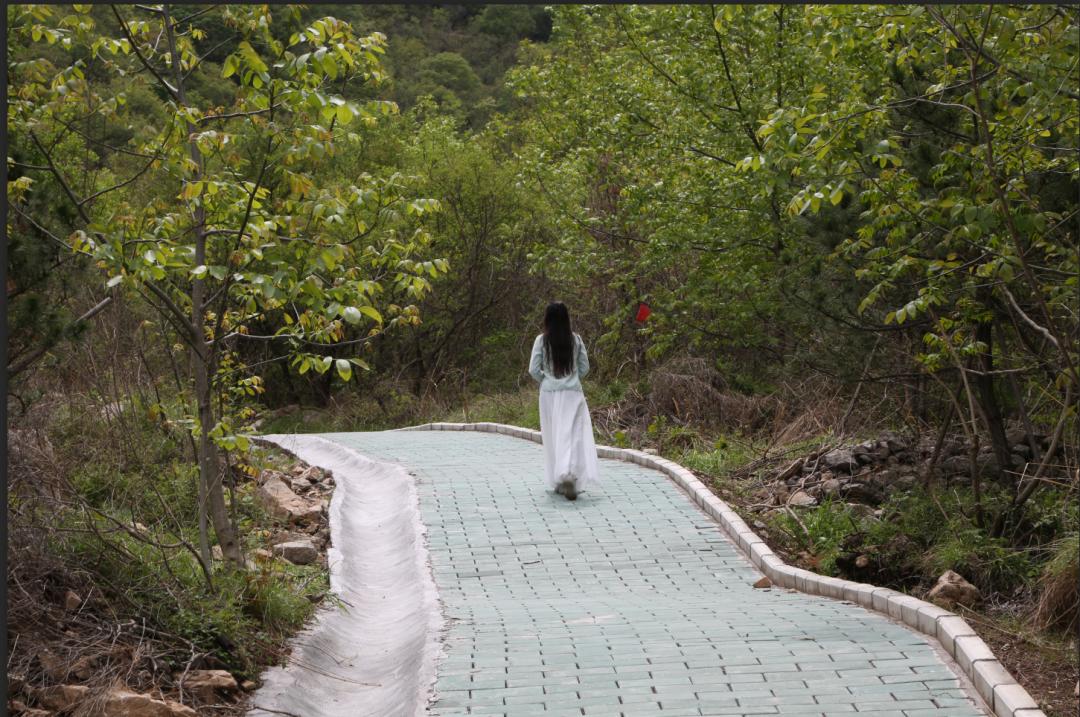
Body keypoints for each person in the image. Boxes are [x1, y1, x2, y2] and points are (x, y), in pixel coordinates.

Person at [528, 302, 600, 501]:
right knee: (573, 435)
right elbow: (584, 367)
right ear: (567, 318)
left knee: (553, 435)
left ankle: (560, 478)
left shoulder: (541, 341)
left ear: (547, 319)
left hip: (549, 395)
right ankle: (570, 474)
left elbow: (533, 369)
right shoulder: (576, 340)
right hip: (573, 394)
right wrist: (573, 379)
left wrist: (547, 380)